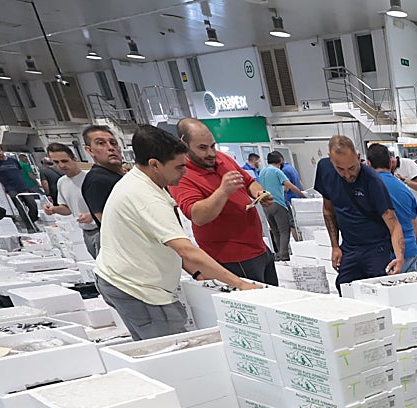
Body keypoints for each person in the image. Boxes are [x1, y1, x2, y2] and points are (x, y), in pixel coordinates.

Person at [94, 125, 259, 340]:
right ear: (154, 164)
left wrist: (198, 274)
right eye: (179, 166)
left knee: (156, 344)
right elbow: (185, 249)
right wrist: (240, 283)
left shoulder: (138, 182)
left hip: (119, 279)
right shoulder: (147, 198)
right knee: (172, 345)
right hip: (138, 289)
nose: (185, 171)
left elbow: (158, 240)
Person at [171, 118, 280, 286]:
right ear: (184, 144)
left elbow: (249, 182)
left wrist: (259, 192)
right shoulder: (182, 174)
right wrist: (222, 191)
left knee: (275, 301)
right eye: (202, 148)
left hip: (258, 247)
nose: (211, 153)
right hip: (232, 258)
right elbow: (197, 215)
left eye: (212, 146)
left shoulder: (222, 159)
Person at [313, 135, 404, 286]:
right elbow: (328, 210)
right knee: (344, 286)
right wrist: (335, 246)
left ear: (358, 157)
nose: (347, 174)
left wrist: (399, 257)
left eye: (352, 168)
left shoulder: (372, 180)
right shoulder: (325, 170)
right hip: (350, 247)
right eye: (340, 169)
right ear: (330, 159)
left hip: (376, 247)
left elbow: (393, 223)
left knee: (379, 289)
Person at [367, 143, 417, 273]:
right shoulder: (404, 187)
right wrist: (415, 235)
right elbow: (414, 217)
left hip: (389, 255)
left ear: (368, 164)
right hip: (410, 249)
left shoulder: (370, 187)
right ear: (391, 163)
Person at [42, 142, 100, 257]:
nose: (61, 165)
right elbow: (67, 209)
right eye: (56, 162)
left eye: (64, 161)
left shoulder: (92, 178)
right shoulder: (62, 182)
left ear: (74, 159)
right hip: (86, 232)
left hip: (101, 229)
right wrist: (54, 209)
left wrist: (92, 215)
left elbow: (110, 204)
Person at [258, 151, 304, 263]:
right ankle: (284, 255)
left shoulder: (262, 171)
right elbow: (289, 186)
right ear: (279, 160)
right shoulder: (277, 171)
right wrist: (303, 195)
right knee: (284, 230)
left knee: (275, 230)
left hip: (265, 204)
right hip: (278, 203)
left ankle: (278, 254)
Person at [80, 124, 126, 227]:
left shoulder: (120, 176)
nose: (110, 148)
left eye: (113, 143)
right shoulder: (96, 181)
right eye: (101, 143)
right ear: (90, 150)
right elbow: (108, 224)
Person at [0, 143, 38, 229]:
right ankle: (29, 226)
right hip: (11, 188)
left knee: (33, 205)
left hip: (22, 186)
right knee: (20, 207)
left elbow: (19, 171)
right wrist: (5, 184)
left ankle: (32, 220)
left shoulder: (13, 160)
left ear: (2, 150)